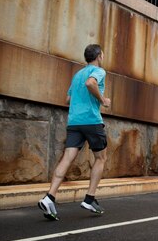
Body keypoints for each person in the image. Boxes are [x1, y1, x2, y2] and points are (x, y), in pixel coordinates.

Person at [38, 44, 111, 221]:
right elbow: (90, 83)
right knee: (101, 158)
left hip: (74, 122)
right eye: (102, 54)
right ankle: (89, 199)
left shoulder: (77, 74)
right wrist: (102, 100)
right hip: (92, 121)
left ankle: (49, 197)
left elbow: (68, 98)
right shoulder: (99, 71)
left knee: (67, 158)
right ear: (99, 56)